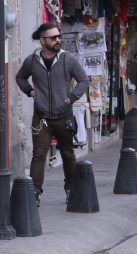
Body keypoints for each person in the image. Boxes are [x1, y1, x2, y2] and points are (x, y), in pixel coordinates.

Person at [16, 23, 90, 207]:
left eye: (59, 37)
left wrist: (72, 97)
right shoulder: (31, 61)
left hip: (64, 116)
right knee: (39, 154)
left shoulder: (67, 59)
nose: (58, 40)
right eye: (53, 38)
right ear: (42, 41)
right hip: (41, 118)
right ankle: (34, 192)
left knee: (68, 154)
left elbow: (83, 80)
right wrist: (30, 91)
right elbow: (20, 77)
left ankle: (71, 189)